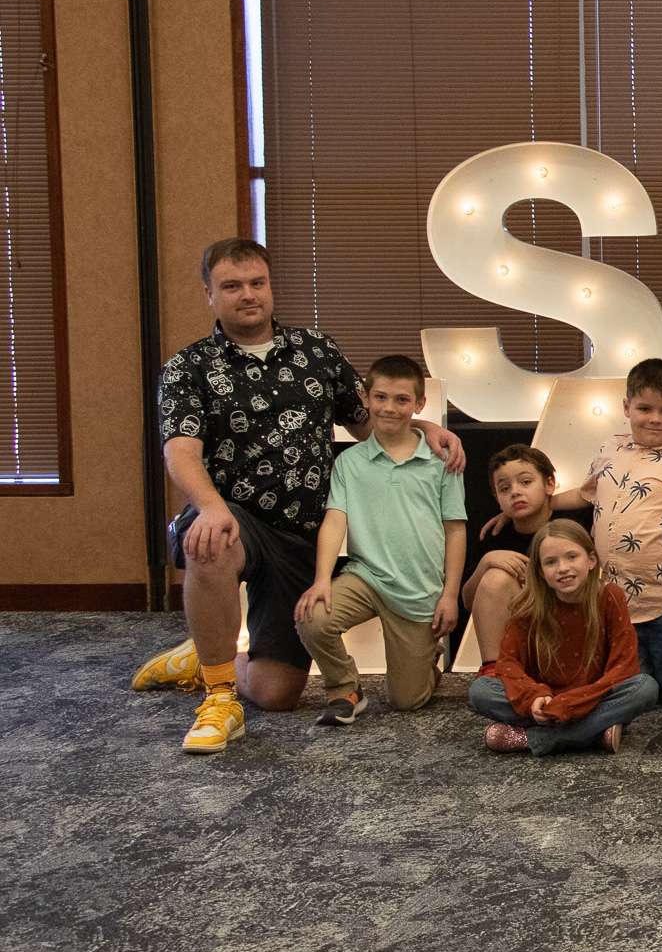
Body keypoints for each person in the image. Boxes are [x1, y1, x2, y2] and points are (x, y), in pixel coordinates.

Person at [132, 238, 463, 754]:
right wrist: (213, 507)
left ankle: (206, 656)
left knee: (277, 692)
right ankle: (219, 697)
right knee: (210, 538)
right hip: (239, 517)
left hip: (304, 535)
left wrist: (421, 425)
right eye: (232, 286)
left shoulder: (316, 351)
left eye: (257, 283)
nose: (248, 295)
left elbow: (364, 419)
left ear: (270, 287)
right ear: (209, 295)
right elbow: (180, 452)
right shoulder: (187, 367)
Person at [508, 359, 662, 708]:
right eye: (644, 408)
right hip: (619, 601)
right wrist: (537, 505)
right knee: (639, 686)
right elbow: (586, 493)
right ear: (626, 407)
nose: (655, 418)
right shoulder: (611, 449)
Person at [295, 355, 468, 724]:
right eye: (381, 397)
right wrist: (322, 579)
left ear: (419, 404)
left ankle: (426, 664)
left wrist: (449, 594)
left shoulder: (441, 461)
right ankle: (344, 688)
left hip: (418, 589)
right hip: (366, 577)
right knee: (313, 617)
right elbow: (334, 521)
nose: (389, 408)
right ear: (365, 398)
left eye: (402, 400)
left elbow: (455, 529)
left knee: (407, 700)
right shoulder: (349, 463)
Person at [468, 520, 659, 755]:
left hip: (590, 698)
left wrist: (571, 704)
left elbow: (624, 667)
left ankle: (536, 738)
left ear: (591, 560)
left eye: (572, 557)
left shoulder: (610, 596)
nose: (563, 568)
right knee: (480, 691)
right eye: (551, 562)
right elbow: (508, 663)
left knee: (644, 688)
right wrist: (535, 697)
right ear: (540, 571)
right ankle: (593, 732)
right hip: (544, 700)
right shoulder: (528, 605)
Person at [460, 445, 592, 676]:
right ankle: (495, 670)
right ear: (497, 498)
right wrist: (487, 562)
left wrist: (552, 501)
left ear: (549, 483)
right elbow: (470, 603)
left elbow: (609, 487)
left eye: (526, 482)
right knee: (495, 577)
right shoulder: (495, 536)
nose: (515, 492)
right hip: (526, 637)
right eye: (504, 488)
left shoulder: (577, 523)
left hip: (575, 632)